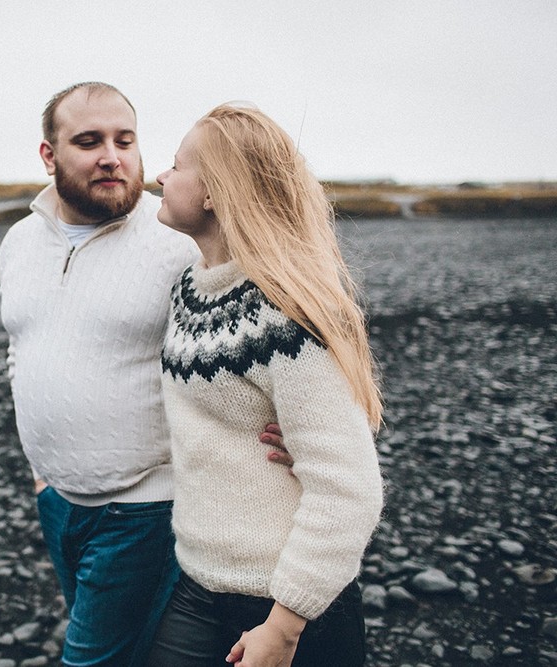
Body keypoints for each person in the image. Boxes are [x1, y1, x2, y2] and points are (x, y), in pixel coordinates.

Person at [0, 82, 289, 667]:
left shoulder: (179, 240)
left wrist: (298, 420)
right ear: (49, 156)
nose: (112, 155)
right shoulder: (18, 241)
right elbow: (21, 349)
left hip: (147, 507)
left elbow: (279, 327)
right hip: (57, 500)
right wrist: (41, 476)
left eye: (124, 140)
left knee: (91, 659)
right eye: (89, 141)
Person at [145, 102, 385, 667]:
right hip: (197, 581)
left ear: (213, 192)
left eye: (177, 165)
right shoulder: (191, 287)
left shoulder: (288, 314)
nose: (159, 175)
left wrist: (283, 627)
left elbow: (349, 487)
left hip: (286, 604)